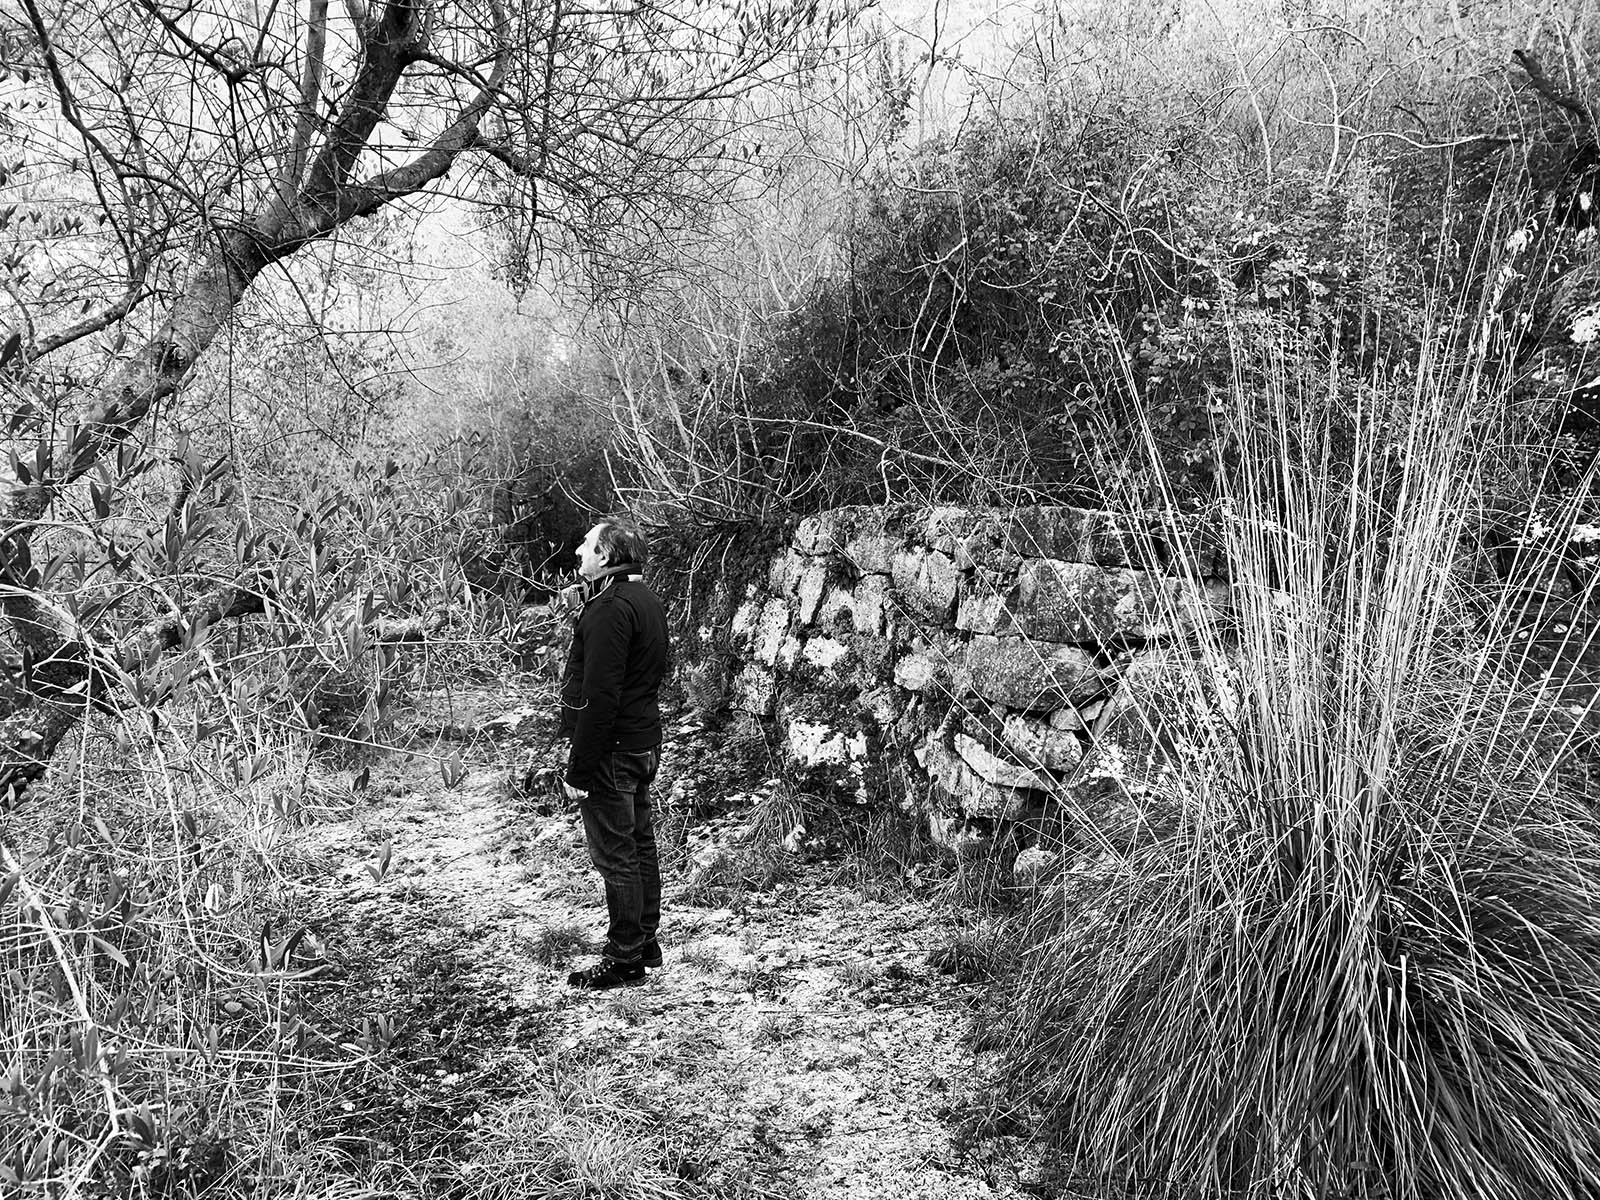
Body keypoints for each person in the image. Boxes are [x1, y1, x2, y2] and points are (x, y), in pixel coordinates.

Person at [557, 517, 670, 989]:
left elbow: (598, 697)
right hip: (642, 743)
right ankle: (642, 940)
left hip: (613, 749)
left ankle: (624, 956)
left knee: (616, 853)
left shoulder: (608, 608)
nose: (579, 551)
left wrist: (579, 768)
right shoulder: (645, 600)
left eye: (585, 545)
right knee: (639, 843)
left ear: (605, 556)